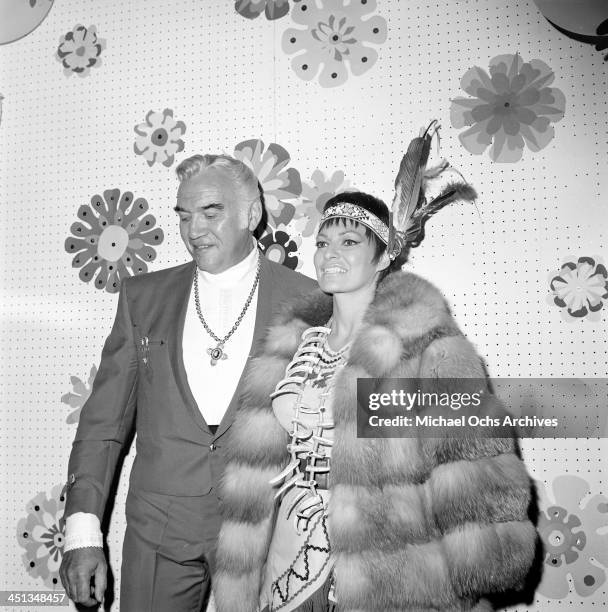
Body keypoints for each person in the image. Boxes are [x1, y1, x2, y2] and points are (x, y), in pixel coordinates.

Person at [212, 189, 537, 611]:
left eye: (349, 242)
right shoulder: (290, 345)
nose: (330, 254)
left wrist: (482, 566)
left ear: (383, 257)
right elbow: (256, 469)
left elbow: (469, 461)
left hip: (387, 563)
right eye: (323, 243)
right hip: (287, 556)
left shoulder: (423, 344)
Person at [59, 154, 317, 611]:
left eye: (210, 212)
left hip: (265, 525)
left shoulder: (308, 300)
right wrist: (82, 533)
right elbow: (103, 424)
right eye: (183, 215)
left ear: (251, 214)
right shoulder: (142, 298)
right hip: (159, 526)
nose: (193, 230)